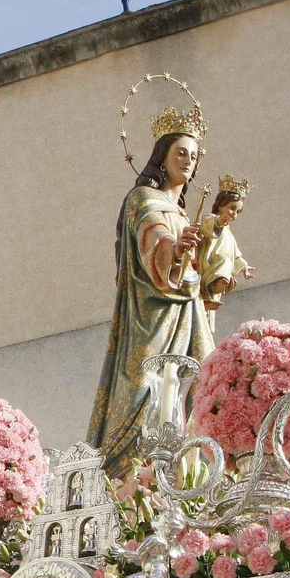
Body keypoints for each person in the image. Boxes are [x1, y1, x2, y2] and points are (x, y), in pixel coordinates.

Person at [88, 118, 212, 477]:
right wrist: (174, 248)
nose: (188, 161)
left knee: (194, 390)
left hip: (187, 312)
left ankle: (184, 473)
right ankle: (126, 477)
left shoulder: (185, 211)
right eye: (180, 153)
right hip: (151, 315)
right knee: (144, 386)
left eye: (193, 155)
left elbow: (197, 270)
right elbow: (152, 237)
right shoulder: (143, 197)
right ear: (162, 156)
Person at [196, 176, 254, 323]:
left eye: (237, 211)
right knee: (224, 261)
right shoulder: (211, 218)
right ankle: (216, 283)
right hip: (208, 263)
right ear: (221, 205)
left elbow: (236, 254)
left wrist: (244, 267)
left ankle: (216, 287)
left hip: (221, 269)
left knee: (227, 263)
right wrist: (217, 222)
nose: (234, 213)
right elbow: (207, 226)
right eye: (232, 208)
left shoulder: (229, 233)